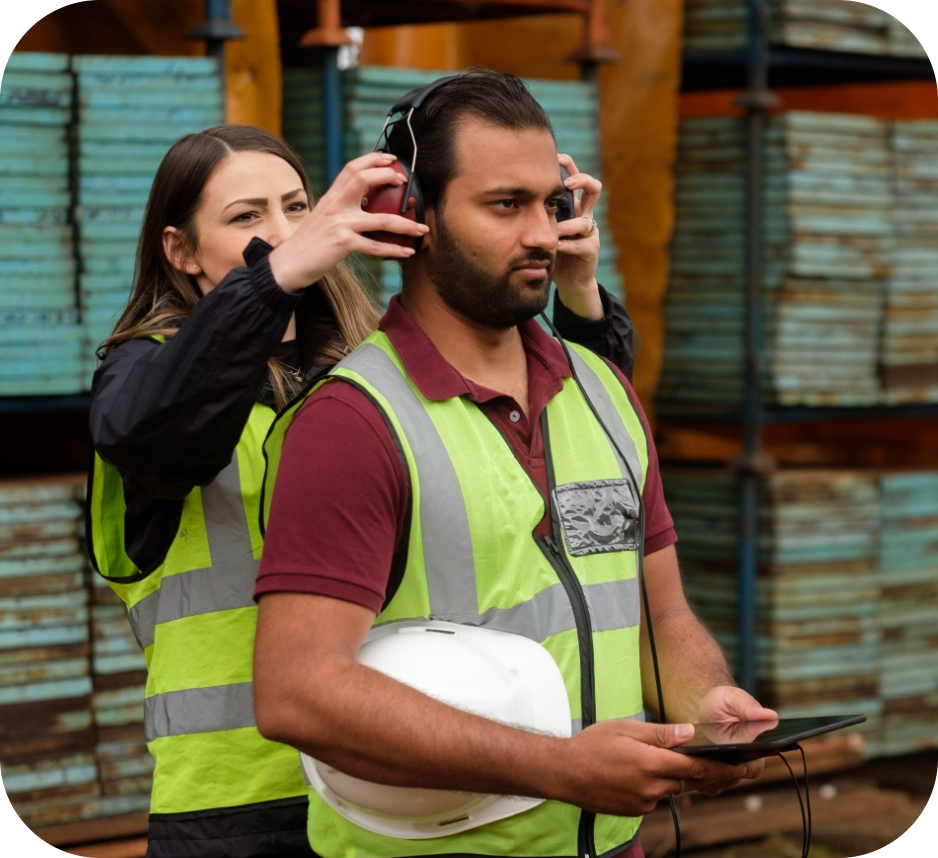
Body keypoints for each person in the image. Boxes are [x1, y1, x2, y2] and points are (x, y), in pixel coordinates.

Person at [252, 70, 777, 858]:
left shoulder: (603, 392)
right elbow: (296, 691)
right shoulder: (352, 421)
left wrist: (703, 705)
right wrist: (559, 769)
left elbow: (660, 613)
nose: (542, 234)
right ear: (413, 216)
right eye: (506, 205)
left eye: (550, 204)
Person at [85, 123, 637, 858]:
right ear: (180, 251)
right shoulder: (143, 378)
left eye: (297, 207)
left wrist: (575, 291)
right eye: (247, 217)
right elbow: (155, 436)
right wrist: (276, 277)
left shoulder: (372, 376)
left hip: (394, 786)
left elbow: (579, 431)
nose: (285, 232)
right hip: (239, 802)